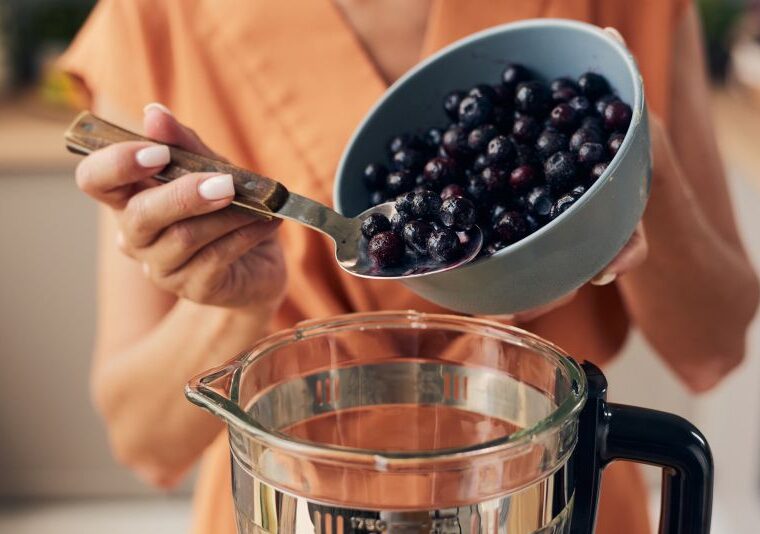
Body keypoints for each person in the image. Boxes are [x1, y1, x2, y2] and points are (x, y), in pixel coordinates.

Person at [61, 1, 758, 533]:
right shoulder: (153, 16)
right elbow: (144, 442)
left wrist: (636, 166)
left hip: (549, 499)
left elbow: (714, 348)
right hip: (296, 507)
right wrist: (241, 306)